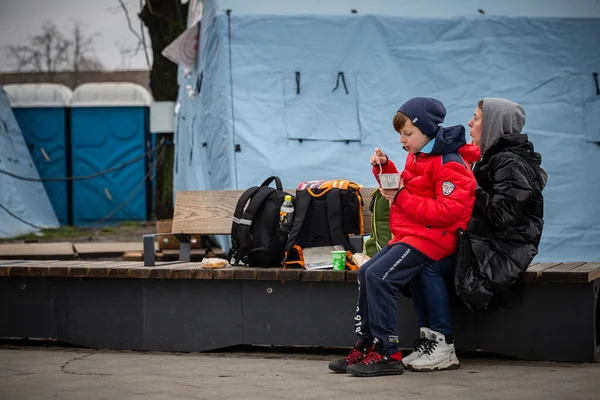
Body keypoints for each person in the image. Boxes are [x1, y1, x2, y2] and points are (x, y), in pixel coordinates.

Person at [328, 97, 479, 377]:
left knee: (380, 277)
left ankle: (388, 352)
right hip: (412, 234)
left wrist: (401, 197)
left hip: (434, 240)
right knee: (367, 272)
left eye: (407, 133)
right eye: (400, 133)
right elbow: (408, 189)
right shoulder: (418, 155)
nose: (402, 140)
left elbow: (448, 213)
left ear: (428, 130)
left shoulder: (450, 163)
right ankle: (368, 344)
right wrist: (384, 169)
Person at [455, 98, 547, 312]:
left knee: (426, 265)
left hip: (502, 253)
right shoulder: (491, 158)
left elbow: (501, 216)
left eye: (476, 118)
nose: (469, 123)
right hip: (486, 245)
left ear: (492, 125)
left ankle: (440, 336)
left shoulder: (509, 163)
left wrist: (468, 182)